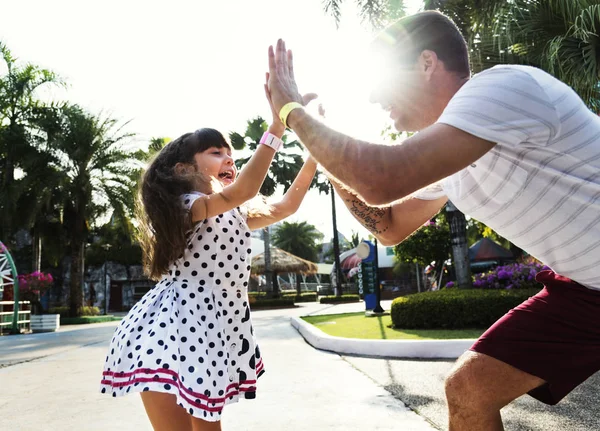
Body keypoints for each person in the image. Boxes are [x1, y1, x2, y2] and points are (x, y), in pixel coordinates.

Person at [265, 11, 600, 431]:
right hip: (588, 290)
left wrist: (292, 111)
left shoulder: (502, 87)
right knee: (469, 388)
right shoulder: (446, 155)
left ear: (427, 64)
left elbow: (382, 178)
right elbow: (388, 225)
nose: (373, 98)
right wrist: (324, 156)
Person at [100, 80, 318, 431]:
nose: (229, 158)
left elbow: (286, 206)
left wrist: (313, 159)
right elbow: (244, 189)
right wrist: (276, 127)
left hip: (213, 324)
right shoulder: (188, 207)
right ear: (184, 169)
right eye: (216, 152)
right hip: (177, 327)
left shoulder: (236, 212)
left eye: (229, 152)